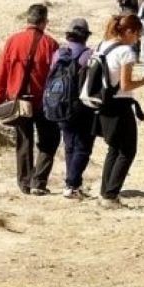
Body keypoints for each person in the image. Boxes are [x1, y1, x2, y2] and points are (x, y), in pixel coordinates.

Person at [87, 14, 144, 206]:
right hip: (120, 106)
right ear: (129, 32)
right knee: (128, 150)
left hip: (103, 103)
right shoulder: (126, 52)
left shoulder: (103, 45)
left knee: (114, 149)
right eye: (137, 35)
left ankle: (105, 193)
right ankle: (111, 195)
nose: (137, 40)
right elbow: (126, 85)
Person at [0, 4, 61, 195]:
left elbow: (1, 72)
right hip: (43, 101)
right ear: (44, 22)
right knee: (50, 140)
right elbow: (56, 76)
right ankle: (39, 181)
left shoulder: (13, 41)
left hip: (18, 100)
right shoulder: (51, 44)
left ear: (28, 20)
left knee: (24, 141)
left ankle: (24, 182)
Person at [52, 19, 97, 199]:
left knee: (70, 146)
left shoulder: (58, 54)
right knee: (83, 148)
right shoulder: (88, 55)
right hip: (81, 107)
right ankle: (72, 184)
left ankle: (73, 185)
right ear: (85, 36)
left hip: (59, 105)